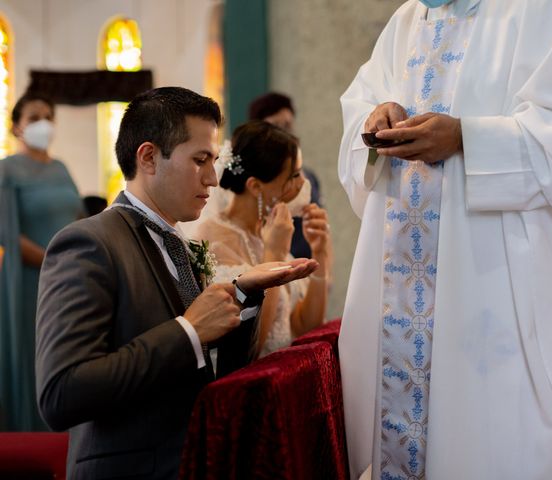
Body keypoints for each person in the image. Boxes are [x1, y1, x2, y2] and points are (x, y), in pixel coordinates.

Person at [338, 1, 552, 479]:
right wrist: (373, 121)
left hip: (496, 280)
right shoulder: (407, 21)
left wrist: (465, 138)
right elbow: (360, 108)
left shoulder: (537, 11)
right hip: (399, 279)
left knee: (500, 435)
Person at [35, 87, 317, 479]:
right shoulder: (89, 242)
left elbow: (211, 376)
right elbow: (62, 394)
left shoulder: (181, 244)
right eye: (200, 160)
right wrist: (187, 332)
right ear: (149, 157)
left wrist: (243, 295)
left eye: (214, 161)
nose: (214, 178)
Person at [195, 121, 330, 356]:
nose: (302, 184)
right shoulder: (211, 242)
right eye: (294, 175)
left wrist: (320, 252)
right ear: (256, 186)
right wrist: (274, 255)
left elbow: (303, 327)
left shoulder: (264, 233)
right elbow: (250, 349)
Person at [0, 92, 84, 431]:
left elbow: (79, 216)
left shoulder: (61, 167)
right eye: (34, 117)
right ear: (17, 126)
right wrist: (54, 259)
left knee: (69, 353)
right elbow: (5, 231)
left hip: (70, 277)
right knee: (35, 354)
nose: (43, 123)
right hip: (29, 279)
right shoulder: (7, 170)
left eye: (48, 116)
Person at [248, 92, 323, 259]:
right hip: (275, 259)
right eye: (275, 125)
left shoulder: (310, 176)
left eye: (287, 125)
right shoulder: (260, 182)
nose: (284, 132)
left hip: (310, 260)